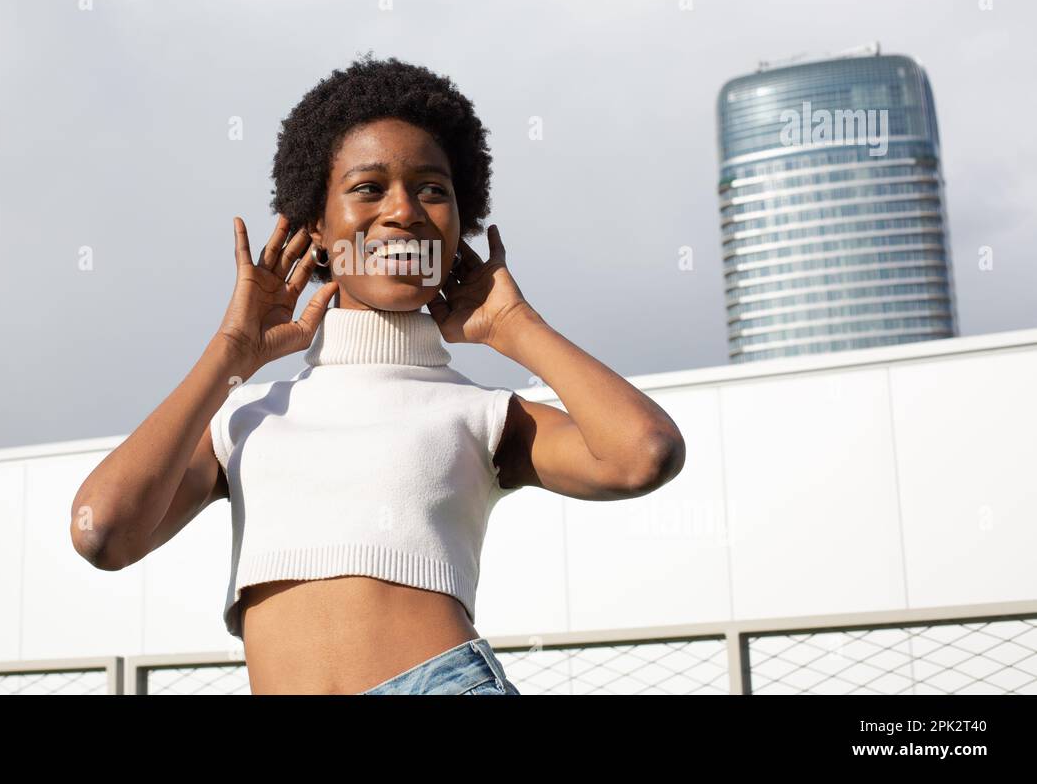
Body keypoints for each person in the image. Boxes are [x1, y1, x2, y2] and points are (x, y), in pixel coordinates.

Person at [71, 54, 686, 694]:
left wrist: (516, 326)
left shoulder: (483, 417)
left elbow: (644, 454)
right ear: (316, 223)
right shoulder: (243, 420)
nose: (404, 211)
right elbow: (102, 533)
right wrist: (230, 353)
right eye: (369, 188)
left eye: (432, 189)